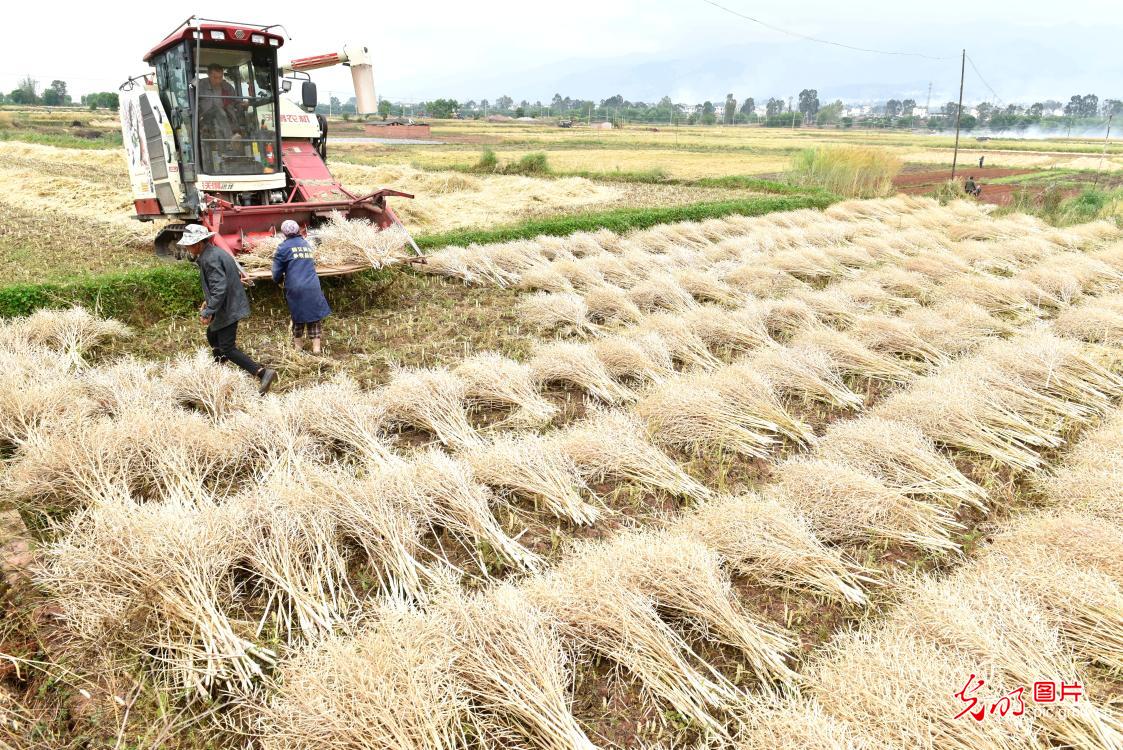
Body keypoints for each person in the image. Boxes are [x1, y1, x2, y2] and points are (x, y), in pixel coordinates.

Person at [178, 224, 277, 393]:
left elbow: (220, 288)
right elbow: (222, 284)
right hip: (229, 303)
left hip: (228, 307)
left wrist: (208, 311)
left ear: (198, 243)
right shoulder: (213, 253)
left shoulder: (210, 258)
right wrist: (208, 301)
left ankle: (262, 373)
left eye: (189, 244)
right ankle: (219, 370)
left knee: (227, 348)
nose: (187, 248)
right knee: (212, 335)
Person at [272, 220, 332, 354]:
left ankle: (298, 348)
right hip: (312, 284)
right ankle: (316, 350)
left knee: (298, 316)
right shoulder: (306, 244)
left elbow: (276, 271)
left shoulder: (283, 248)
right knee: (314, 317)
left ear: (284, 233)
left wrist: (278, 280)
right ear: (298, 230)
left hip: (296, 286)